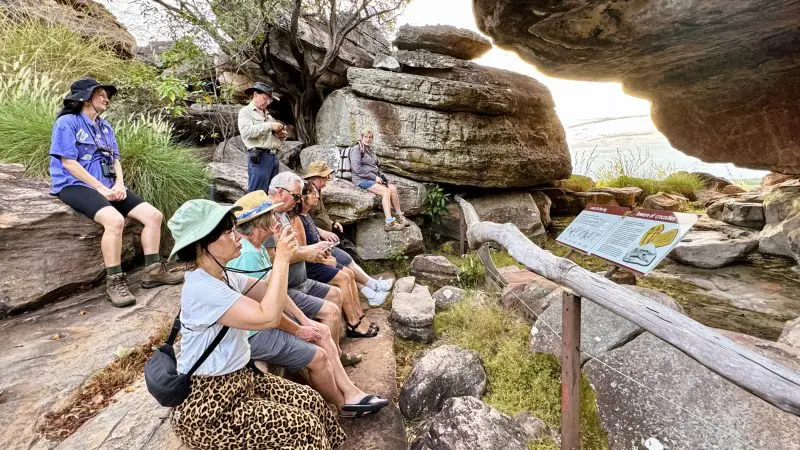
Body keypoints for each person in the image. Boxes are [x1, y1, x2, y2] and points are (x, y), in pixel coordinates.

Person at [166, 198, 346, 449]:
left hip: (241, 381)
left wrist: (285, 255)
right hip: (211, 404)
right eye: (229, 232)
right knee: (304, 425)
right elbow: (267, 316)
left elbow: (270, 293)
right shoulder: (203, 288)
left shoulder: (223, 274)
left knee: (310, 400)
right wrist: (282, 259)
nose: (238, 235)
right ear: (203, 245)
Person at [227, 191, 389, 416]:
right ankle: (343, 405)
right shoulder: (248, 256)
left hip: (266, 322)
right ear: (258, 225)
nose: (275, 218)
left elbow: (276, 293)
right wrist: (299, 328)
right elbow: (267, 310)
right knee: (318, 352)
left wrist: (303, 320)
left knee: (321, 329)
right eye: (270, 215)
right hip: (254, 332)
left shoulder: (257, 249)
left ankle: (351, 392)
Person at [49, 77, 183, 308]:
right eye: (101, 94)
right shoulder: (67, 123)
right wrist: (100, 188)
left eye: (107, 95)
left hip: (110, 186)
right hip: (75, 185)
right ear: (85, 98)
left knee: (154, 216)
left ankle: (153, 272)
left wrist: (119, 184)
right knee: (115, 221)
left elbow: (115, 159)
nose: (106, 99)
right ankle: (115, 281)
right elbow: (69, 163)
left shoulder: (105, 126)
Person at [265, 172, 360, 362]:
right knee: (332, 309)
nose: (298, 201)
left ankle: (337, 353)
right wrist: (307, 253)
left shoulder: (282, 215)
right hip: (288, 289)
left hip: (302, 281)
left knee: (336, 293)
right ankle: (332, 360)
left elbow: (293, 249)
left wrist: (312, 249)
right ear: (280, 191)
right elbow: (273, 258)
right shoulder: (267, 218)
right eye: (296, 196)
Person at [303, 161, 394, 307]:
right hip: (318, 242)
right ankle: (372, 290)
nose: (328, 179)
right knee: (343, 263)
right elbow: (306, 220)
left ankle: (373, 288)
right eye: (326, 176)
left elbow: (321, 214)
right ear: (317, 178)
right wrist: (322, 232)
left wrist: (332, 223)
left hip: (325, 237)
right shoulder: (307, 195)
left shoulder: (317, 192)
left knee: (346, 260)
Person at [298, 182, 381, 337]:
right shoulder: (298, 220)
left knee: (349, 274)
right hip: (311, 266)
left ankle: (359, 316)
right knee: (343, 278)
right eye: (312, 193)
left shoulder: (306, 215)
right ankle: (353, 324)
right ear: (302, 198)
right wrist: (324, 259)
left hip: (320, 258)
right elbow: (303, 251)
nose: (317, 196)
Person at [348, 129, 409, 231]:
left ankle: (400, 216)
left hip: (374, 178)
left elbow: (376, 166)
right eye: (366, 137)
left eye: (370, 137)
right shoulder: (357, 149)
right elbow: (356, 169)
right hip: (361, 179)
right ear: (361, 137)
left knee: (392, 188)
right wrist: (374, 177)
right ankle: (389, 223)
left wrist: (382, 177)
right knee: (386, 192)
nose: (368, 139)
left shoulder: (370, 150)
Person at [238, 82, 287, 193]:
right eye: (265, 98)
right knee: (257, 194)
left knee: (272, 195)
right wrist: (270, 126)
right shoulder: (245, 112)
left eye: (269, 100)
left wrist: (281, 135)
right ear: (255, 95)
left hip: (273, 157)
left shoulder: (268, 115)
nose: (267, 102)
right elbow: (246, 132)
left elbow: (271, 136)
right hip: (259, 158)